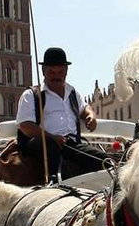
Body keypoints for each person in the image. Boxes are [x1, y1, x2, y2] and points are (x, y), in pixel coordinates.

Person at [16, 47, 105, 181]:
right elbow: (25, 126)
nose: (56, 76)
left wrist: (90, 116)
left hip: (70, 144)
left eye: (60, 72)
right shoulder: (32, 95)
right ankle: (59, 183)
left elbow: (85, 108)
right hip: (42, 144)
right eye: (52, 72)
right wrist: (52, 137)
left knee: (104, 160)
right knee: (49, 145)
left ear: (66, 71)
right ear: (43, 71)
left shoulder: (72, 93)